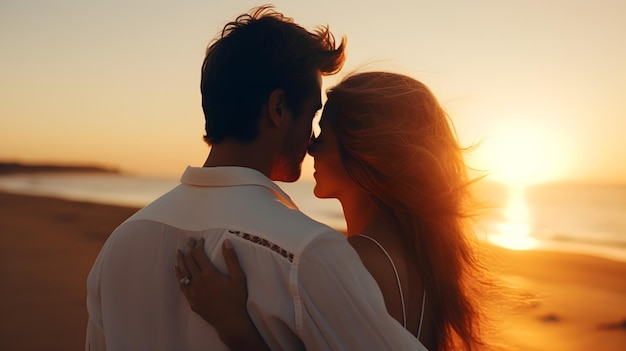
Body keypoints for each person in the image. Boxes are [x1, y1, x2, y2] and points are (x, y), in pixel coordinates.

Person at [86, 6, 427, 351]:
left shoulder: (120, 243)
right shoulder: (306, 252)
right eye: (311, 115)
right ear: (278, 108)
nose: (310, 141)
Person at [176, 71, 494, 351]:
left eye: (324, 134)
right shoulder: (423, 257)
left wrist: (234, 328)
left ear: (364, 150)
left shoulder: (352, 259)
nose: (311, 146)